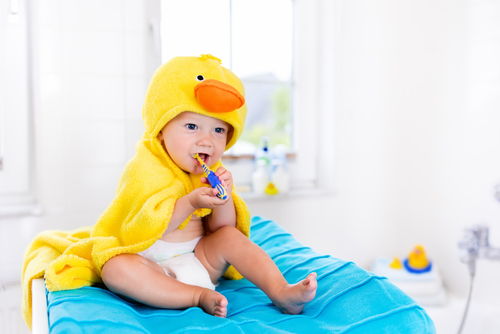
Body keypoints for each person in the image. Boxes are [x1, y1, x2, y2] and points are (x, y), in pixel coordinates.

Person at [98, 55, 317, 317]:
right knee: (114, 268)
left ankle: (282, 291)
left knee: (231, 238)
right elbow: (142, 229)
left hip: (199, 261)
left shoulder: (211, 173)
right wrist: (190, 203)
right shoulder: (145, 169)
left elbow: (220, 230)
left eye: (218, 131)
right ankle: (196, 295)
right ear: (160, 130)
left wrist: (222, 201)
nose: (207, 140)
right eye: (192, 126)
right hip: (148, 264)